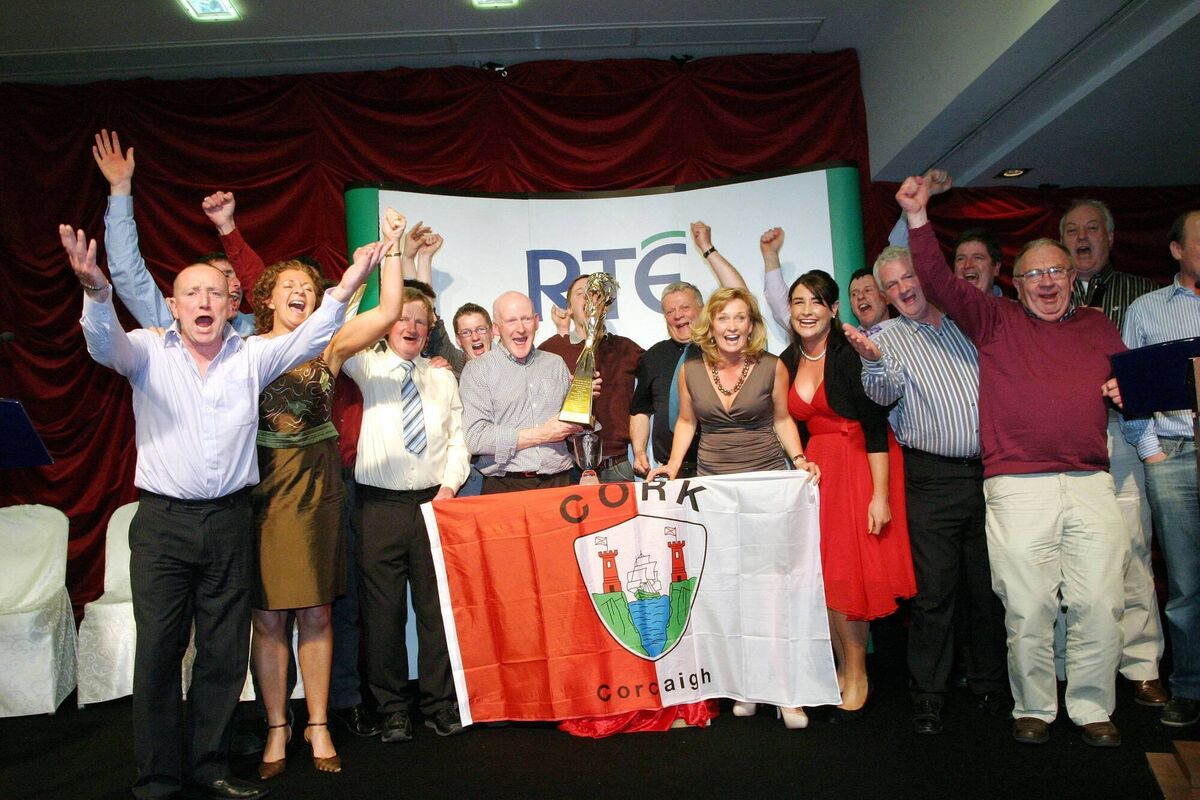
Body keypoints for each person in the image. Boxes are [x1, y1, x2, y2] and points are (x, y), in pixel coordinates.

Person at [60, 217, 373, 800]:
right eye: (191, 293)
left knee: (224, 654)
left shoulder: (250, 357)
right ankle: (158, 776)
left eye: (213, 293)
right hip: (164, 525)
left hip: (231, 519)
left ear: (231, 305)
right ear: (173, 306)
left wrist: (350, 282)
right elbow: (104, 345)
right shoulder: (147, 351)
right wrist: (97, 293)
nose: (203, 302)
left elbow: (312, 336)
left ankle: (210, 766)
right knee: (160, 652)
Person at [898, 174, 1129, 748]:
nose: (1046, 281)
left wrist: (1129, 390)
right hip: (1017, 487)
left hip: (1091, 482)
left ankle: (1092, 706)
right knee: (1027, 607)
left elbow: (1134, 387)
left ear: (1072, 278)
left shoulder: (1100, 326)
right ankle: (1034, 705)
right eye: (1033, 274)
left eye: (1056, 272)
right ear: (1016, 284)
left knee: (1100, 603)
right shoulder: (994, 320)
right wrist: (919, 217)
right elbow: (938, 281)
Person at [249, 212, 403, 779]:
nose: (299, 292)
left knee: (316, 610)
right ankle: (276, 726)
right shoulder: (242, 351)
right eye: (288, 285)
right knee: (267, 617)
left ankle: (317, 724)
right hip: (262, 493)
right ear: (268, 299)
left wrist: (393, 248)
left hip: (317, 489)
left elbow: (389, 311)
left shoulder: (330, 346)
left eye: (308, 288)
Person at [846, 246, 1008, 736]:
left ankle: (988, 682)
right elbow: (882, 391)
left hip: (991, 473)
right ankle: (929, 695)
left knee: (988, 588)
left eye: (908, 278)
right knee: (935, 592)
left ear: (927, 276)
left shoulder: (966, 323)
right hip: (932, 478)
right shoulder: (885, 338)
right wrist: (873, 362)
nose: (903, 290)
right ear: (884, 295)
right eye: (891, 286)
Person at [646, 286, 817, 729]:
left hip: (765, 489)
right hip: (715, 493)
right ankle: (745, 687)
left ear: (752, 325)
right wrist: (671, 466)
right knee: (729, 594)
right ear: (711, 324)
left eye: (741, 318)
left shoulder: (772, 366)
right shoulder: (691, 370)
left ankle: (786, 693)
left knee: (772, 592)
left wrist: (800, 460)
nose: (732, 326)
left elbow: (782, 419)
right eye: (724, 318)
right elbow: (687, 421)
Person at [779, 269, 915, 723]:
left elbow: (875, 427)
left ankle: (858, 674)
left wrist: (881, 496)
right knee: (827, 576)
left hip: (861, 466)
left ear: (834, 309)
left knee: (849, 576)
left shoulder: (849, 353)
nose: (806, 311)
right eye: (798, 302)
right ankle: (841, 667)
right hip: (819, 472)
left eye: (816, 302)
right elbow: (786, 421)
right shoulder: (788, 358)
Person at [343, 280, 472, 744]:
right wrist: (361, 285)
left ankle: (439, 703)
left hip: (434, 504)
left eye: (421, 321)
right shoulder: (364, 366)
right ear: (386, 324)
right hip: (378, 507)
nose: (412, 327)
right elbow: (341, 329)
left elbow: (458, 439)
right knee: (382, 614)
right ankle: (392, 709)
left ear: (430, 328)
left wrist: (449, 486)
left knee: (436, 611)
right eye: (403, 318)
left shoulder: (442, 377)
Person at [1061, 199, 1166, 707]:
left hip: (1124, 435)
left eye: (1092, 229)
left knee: (1133, 549)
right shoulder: (1046, 293)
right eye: (1072, 230)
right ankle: (1068, 664)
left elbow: (1156, 370)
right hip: (1063, 439)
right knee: (1066, 557)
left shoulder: (1142, 294)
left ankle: (1141, 664)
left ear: (1111, 236)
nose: (1082, 238)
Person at [1121, 209, 1200, 728]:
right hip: (1176, 455)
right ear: (1176, 250)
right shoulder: (1147, 310)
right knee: (1186, 583)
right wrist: (1152, 453)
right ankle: (1190, 686)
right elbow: (1130, 391)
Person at [93, 129, 255, 336]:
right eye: (222, 277)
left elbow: (264, 290)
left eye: (235, 277)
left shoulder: (260, 328)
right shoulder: (172, 324)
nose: (234, 284)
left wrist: (227, 226)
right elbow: (127, 271)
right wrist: (120, 189)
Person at [629, 223, 748, 477]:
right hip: (671, 470)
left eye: (684, 308)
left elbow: (741, 296)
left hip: (720, 467)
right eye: (669, 311)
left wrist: (707, 248)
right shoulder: (652, 357)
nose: (677, 315)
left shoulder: (723, 348)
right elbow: (640, 409)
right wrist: (639, 450)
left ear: (703, 310)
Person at [459, 292, 584, 494]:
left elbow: (570, 430)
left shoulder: (556, 364)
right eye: (511, 321)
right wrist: (542, 434)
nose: (521, 328)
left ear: (536, 322)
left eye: (526, 319)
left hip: (560, 483)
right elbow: (476, 438)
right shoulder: (478, 370)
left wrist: (583, 404)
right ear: (496, 328)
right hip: (505, 487)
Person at [540, 273, 645, 482]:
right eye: (581, 293)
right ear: (570, 309)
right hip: (566, 469)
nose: (589, 298)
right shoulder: (549, 351)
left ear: (605, 304)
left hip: (616, 466)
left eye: (595, 293)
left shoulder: (626, 348)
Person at [953, 229, 1006, 296]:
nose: (967, 265)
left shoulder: (1013, 303)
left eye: (978, 258)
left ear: (996, 268)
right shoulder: (942, 302)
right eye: (961, 259)